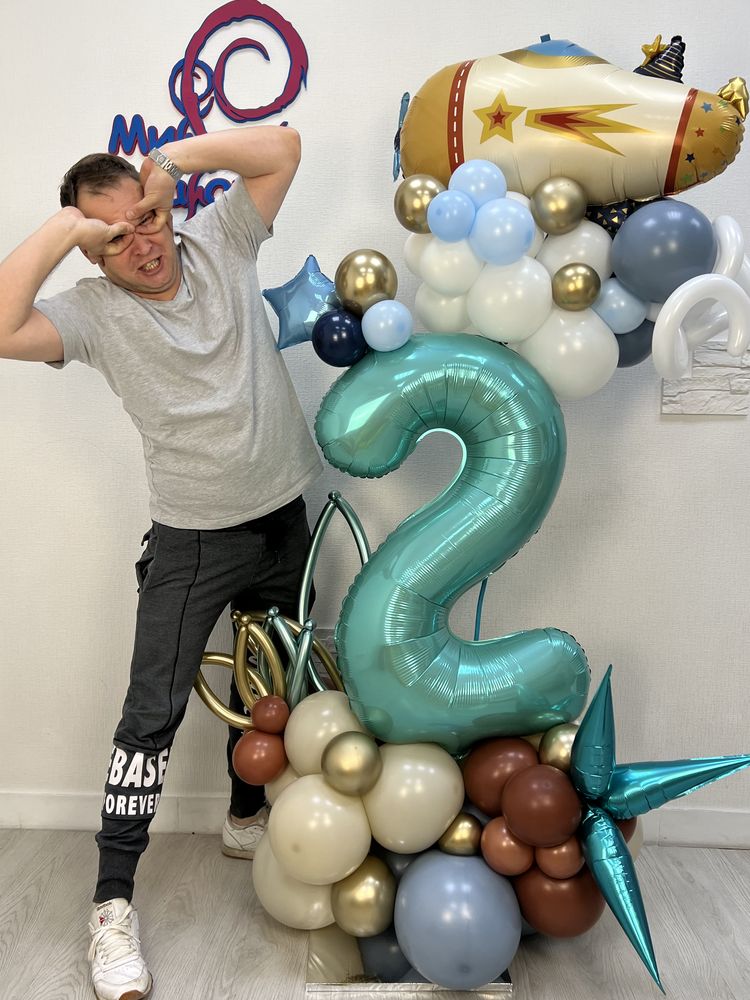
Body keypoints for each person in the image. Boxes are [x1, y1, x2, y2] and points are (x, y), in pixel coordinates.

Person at [0, 125, 322, 1000]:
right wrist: (69, 231)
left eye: (146, 218)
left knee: (273, 689)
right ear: (90, 252)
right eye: (114, 238)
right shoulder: (93, 312)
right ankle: (111, 906)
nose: (142, 243)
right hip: (193, 539)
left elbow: (284, 147)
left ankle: (246, 816)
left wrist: (178, 159)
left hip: (286, 518)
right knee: (149, 720)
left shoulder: (221, 238)